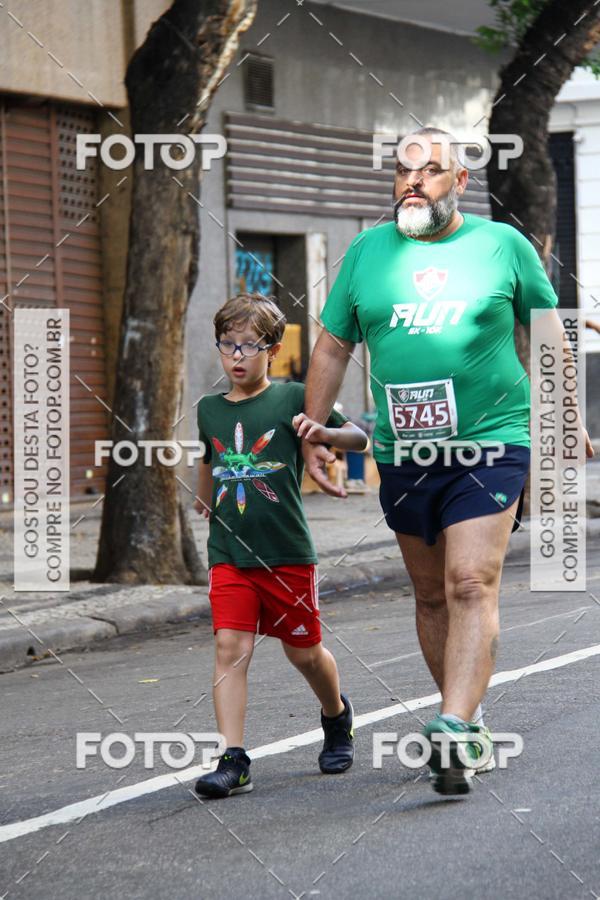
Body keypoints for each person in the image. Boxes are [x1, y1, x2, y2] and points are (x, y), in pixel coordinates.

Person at [300, 127, 593, 796]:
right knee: (430, 592)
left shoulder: (502, 245)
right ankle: (471, 721)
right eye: (404, 171)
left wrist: (565, 419)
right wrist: (314, 432)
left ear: (460, 182)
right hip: (405, 449)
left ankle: (454, 725)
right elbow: (332, 349)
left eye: (431, 171)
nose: (414, 182)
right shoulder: (367, 252)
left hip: (493, 439)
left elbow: (547, 334)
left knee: (468, 582)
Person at [193, 292, 368, 799]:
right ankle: (234, 759)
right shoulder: (208, 408)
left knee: (304, 653)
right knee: (231, 647)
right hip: (229, 553)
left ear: (271, 349)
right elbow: (209, 458)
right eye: (229, 345)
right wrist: (203, 501)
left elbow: (358, 436)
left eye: (250, 346)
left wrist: (323, 430)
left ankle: (336, 715)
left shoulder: (293, 398)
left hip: (287, 552)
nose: (238, 356)